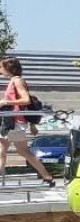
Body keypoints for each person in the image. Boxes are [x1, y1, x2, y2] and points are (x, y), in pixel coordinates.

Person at [1, 57, 58, 187]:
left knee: (9, 151)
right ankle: (47, 177)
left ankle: (47, 176)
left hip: (14, 123)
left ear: (8, 68)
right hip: (13, 122)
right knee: (17, 151)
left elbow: (26, 100)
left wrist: (5, 102)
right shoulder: (14, 81)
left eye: (1, 67)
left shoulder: (17, 81)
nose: (0, 70)